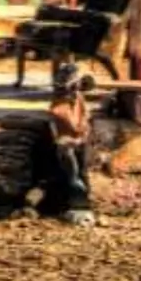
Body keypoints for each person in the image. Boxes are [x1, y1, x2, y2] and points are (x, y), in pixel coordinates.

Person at [39, 62, 95, 224]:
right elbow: (61, 116)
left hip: (76, 139)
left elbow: (82, 118)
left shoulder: (77, 98)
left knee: (78, 173)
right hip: (66, 141)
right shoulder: (61, 103)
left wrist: (82, 129)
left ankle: (80, 205)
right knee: (72, 174)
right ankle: (75, 206)